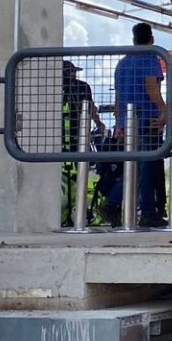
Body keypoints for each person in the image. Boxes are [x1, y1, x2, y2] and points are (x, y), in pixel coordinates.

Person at [108, 22, 169, 228]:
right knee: (146, 168)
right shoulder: (150, 58)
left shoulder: (122, 63)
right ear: (152, 39)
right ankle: (141, 210)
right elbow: (151, 87)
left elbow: (118, 97)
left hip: (127, 123)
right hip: (147, 120)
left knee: (134, 166)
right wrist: (165, 110)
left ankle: (123, 204)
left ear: (133, 40)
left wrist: (119, 124)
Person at [61, 60, 106, 226]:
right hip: (64, 139)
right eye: (70, 72)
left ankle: (79, 211)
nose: (72, 75)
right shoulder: (56, 88)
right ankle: (69, 213)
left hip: (78, 137)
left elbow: (90, 107)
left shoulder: (82, 87)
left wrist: (98, 123)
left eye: (73, 72)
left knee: (81, 173)